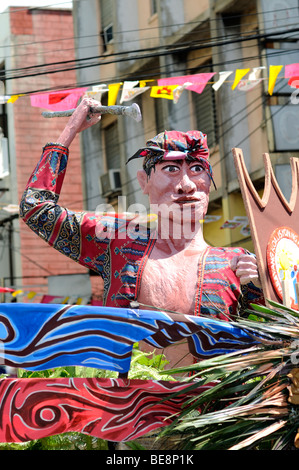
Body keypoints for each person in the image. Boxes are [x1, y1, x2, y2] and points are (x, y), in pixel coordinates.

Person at [19, 97, 264, 369]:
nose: (186, 185)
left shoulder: (236, 264)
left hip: (210, 407)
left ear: (209, 182)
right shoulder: (116, 242)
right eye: (170, 169)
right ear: (144, 182)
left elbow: (269, 348)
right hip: (126, 407)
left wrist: (263, 287)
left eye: (196, 170)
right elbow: (36, 209)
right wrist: (69, 131)